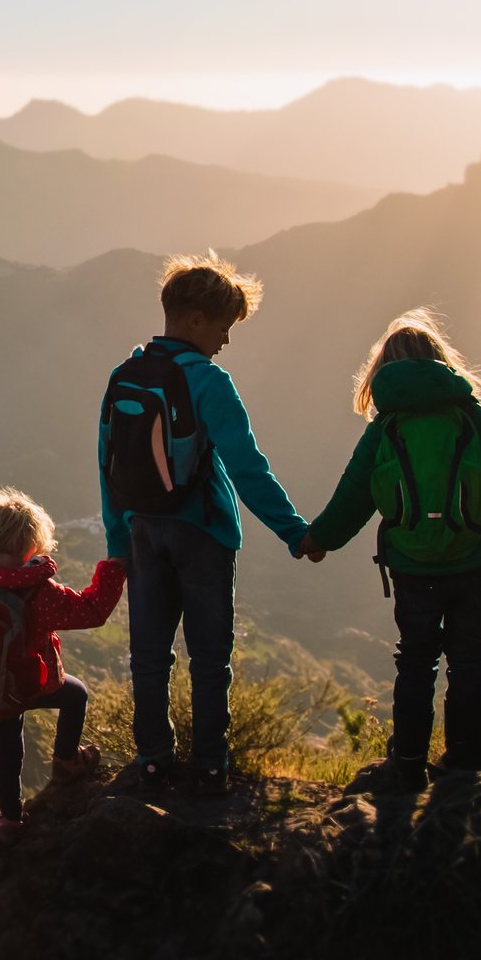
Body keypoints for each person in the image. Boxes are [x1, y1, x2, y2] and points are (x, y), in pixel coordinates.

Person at [299, 308, 481, 795]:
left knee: (416, 661)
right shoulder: (476, 418)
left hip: (414, 566)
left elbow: (354, 495)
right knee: (469, 658)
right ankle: (463, 764)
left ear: (382, 371)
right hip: (477, 561)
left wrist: (318, 541)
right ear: (440, 361)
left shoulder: (385, 428)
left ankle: (409, 764)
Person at [98, 252, 310, 796]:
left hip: (143, 530)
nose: (226, 339)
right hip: (203, 533)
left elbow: (108, 464)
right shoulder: (210, 381)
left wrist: (118, 541)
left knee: (149, 653)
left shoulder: (125, 375)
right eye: (224, 326)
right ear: (195, 319)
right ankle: (211, 766)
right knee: (210, 657)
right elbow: (246, 466)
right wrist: (293, 531)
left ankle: (151, 760)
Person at [0, 488, 126, 824]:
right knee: (76, 694)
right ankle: (65, 762)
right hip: (33, 684)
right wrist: (114, 569)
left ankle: (9, 819)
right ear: (34, 543)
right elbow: (92, 611)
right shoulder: (39, 592)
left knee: (5, 749)